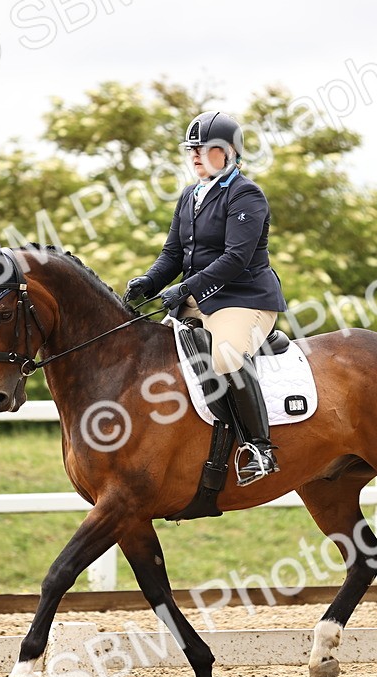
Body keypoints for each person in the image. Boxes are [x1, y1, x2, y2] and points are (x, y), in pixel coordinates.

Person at [125, 111, 287, 486]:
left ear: (230, 153)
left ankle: (261, 450)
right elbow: (173, 254)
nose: (196, 155)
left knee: (225, 355)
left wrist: (183, 289)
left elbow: (235, 259)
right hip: (196, 300)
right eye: (192, 149)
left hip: (243, 299)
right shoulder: (189, 196)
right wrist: (148, 283)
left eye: (207, 149)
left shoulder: (246, 194)